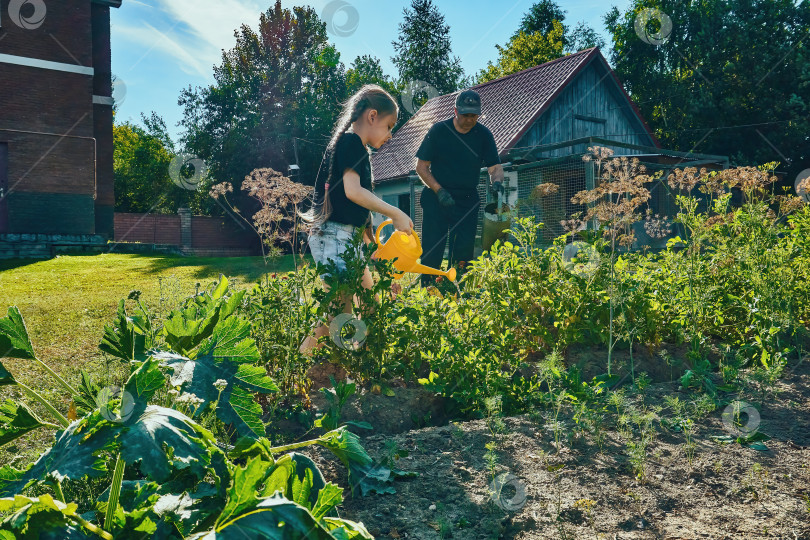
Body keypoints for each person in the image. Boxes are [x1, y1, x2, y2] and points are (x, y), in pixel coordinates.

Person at [300, 84, 413, 353]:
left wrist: (370, 245)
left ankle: (366, 358)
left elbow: (356, 206)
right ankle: (307, 364)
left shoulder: (358, 149)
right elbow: (353, 192)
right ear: (372, 116)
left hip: (345, 238)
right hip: (333, 235)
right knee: (339, 310)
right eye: (389, 125)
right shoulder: (351, 142)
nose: (391, 134)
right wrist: (395, 212)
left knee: (370, 303)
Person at [415, 89, 504, 286]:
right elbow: (421, 167)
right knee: (433, 248)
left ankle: (459, 290)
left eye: (474, 115)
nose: (469, 120)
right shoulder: (439, 131)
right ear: (455, 111)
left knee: (464, 251)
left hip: (466, 200)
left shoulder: (484, 135)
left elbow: (496, 167)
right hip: (437, 198)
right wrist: (439, 190)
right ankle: (429, 289)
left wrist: (497, 182)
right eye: (465, 115)